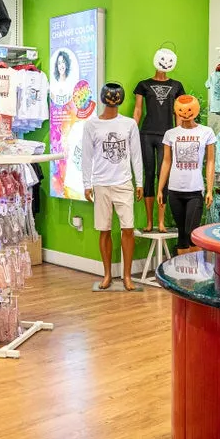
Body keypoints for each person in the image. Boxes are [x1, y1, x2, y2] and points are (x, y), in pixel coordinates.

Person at [82, 82, 144, 290]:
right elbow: (87, 156)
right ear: (103, 97)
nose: (112, 100)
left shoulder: (129, 124)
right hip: (101, 183)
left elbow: (136, 154)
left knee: (128, 228)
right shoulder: (91, 125)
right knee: (104, 230)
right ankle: (107, 274)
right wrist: (86, 183)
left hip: (124, 183)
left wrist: (140, 182)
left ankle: (127, 276)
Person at [132, 47, 185, 232]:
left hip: (168, 136)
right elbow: (138, 110)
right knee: (148, 175)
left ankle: (161, 221)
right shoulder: (143, 85)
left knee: (163, 177)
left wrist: (178, 134)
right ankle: (149, 222)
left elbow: (178, 111)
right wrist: (132, 130)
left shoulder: (177, 86)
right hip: (146, 134)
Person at [157, 95, 215, 255]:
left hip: (195, 191)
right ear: (176, 111)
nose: (185, 113)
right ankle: (182, 276)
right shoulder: (170, 134)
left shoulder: (206, 132)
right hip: (174, 190)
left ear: (195, 110)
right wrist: (160, 189)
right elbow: (166, 162)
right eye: (181, 110)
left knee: (192, 234)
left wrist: (209, 190)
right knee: (181, 234)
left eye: (189, 109)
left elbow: (210, 161)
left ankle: (196, 271)